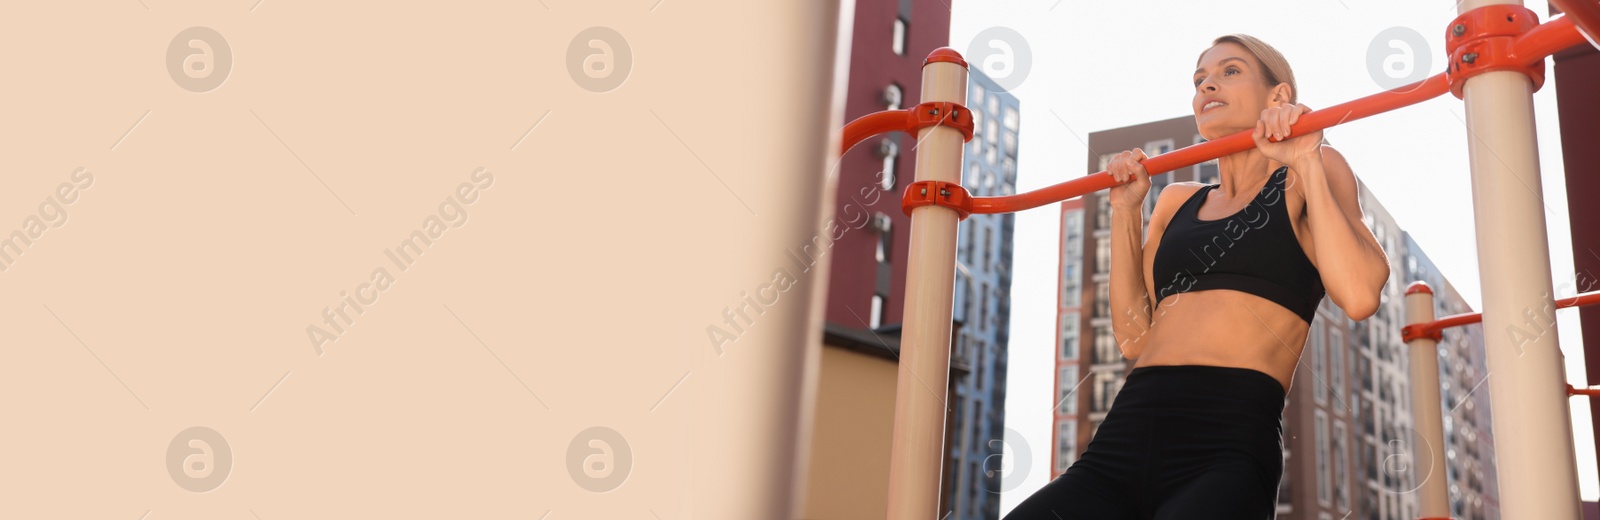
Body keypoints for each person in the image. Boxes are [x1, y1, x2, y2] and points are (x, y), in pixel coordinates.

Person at [1002, 34, 1391, 519]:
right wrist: (1126, 211)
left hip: (1227, 441)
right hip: (1126, 432)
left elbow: (1358, 296)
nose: (1208, 84)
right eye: (1199, 79)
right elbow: (1135, 338)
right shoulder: (1175, 201)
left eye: (1229, 71)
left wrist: (1307, 158)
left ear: (1279, 97)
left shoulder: (1308, 172)